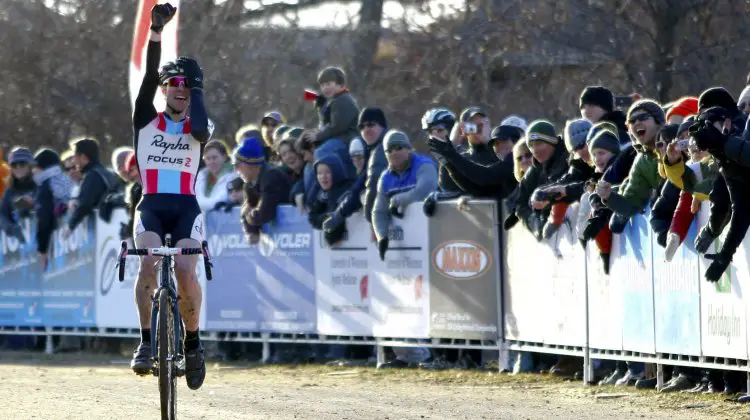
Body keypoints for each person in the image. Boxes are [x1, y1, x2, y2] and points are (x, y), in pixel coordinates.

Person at [129, 3, 213, 391]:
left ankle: (193, 344)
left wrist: (196, 87)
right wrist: (156, 31)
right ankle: (147, 343)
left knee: (185, 269)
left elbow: (197, 127)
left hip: (185, 209)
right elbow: (149, 75)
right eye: (173, 83)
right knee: (147, 264)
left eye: (186, 85)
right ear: (165, 89)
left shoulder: (201, 123)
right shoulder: (147, 118)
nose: (179, 89)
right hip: (151, 207)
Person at [234, 136, 293, 244]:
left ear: (251, 164)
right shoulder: (249, 184)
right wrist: (251, 230)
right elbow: (248, 207)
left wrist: (249, 216)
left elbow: (265, 213)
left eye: (238, 164)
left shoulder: (271, 176)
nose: (236, 169)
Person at [32, 148, 73, 271]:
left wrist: (42, 249)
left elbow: (44, 219)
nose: (34, 171)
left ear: (42, 167)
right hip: (75, 238)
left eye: (36, 167)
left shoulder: (46, 185)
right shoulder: (66, 179)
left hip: (56, 239)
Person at [194, 139, 239, 211]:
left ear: (224, 157)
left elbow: (223, 199)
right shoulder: (201, 175)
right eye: (208, 158)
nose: (211, 162)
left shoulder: (234, 175)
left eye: (214, 157)